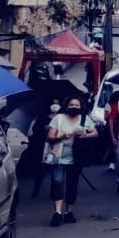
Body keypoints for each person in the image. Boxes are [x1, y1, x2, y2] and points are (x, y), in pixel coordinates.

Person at [45, 97, 94, 226]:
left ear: (81, 107)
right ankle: (57, 212)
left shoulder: (85, 119)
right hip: (58, 156)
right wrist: (61, 135)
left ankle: (69, 212)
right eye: (71, 104)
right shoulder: (58, 118)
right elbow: (50, 136)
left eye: (76, 105)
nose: (74, 107)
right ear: (67, 106)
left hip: (76, 157)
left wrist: (85, 135)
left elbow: (95, 133)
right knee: (57, 182)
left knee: (72, 184)